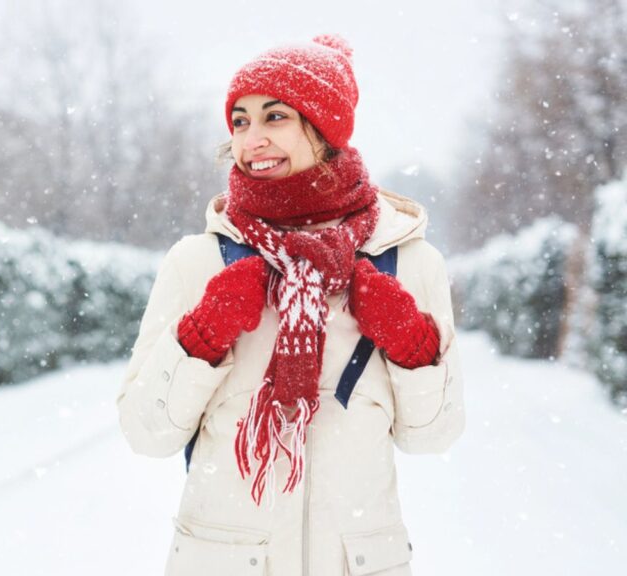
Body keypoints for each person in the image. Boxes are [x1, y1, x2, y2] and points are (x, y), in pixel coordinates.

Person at [116, 34, 465, 576]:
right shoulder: (198, 261)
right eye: (239, 121)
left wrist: (411, 344)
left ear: (325, 130)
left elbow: (431, 437)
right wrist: (201, 338)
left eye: (275, 117)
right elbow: (147, 433)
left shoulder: (408, 262)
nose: (251, 139)